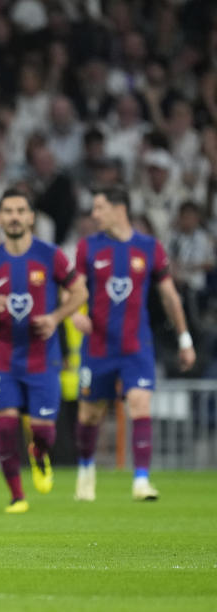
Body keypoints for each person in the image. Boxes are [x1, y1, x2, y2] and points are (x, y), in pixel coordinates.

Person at [71, 186, 195, 501]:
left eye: (99, 208)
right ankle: (86, 471)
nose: (94, 215)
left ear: (119, 208)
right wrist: (73, 313)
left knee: (140, 403)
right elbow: (73, 288)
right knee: (90, 415)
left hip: (135, 346)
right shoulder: (87, 248)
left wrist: (185, 339)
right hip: (97, 347)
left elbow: (169, 295)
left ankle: (141, 480)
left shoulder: (150, 247)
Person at [0, 188, 88, 513]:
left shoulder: (50, 255)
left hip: (42, 358)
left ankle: (40, 454)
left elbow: (79, 291)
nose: (14, 217)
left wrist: (55, 317)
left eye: (21, 211)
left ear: (31, 217)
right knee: (6, 428)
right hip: (3, 359)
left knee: (43, 432)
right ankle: (17, 496)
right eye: (8, 211)